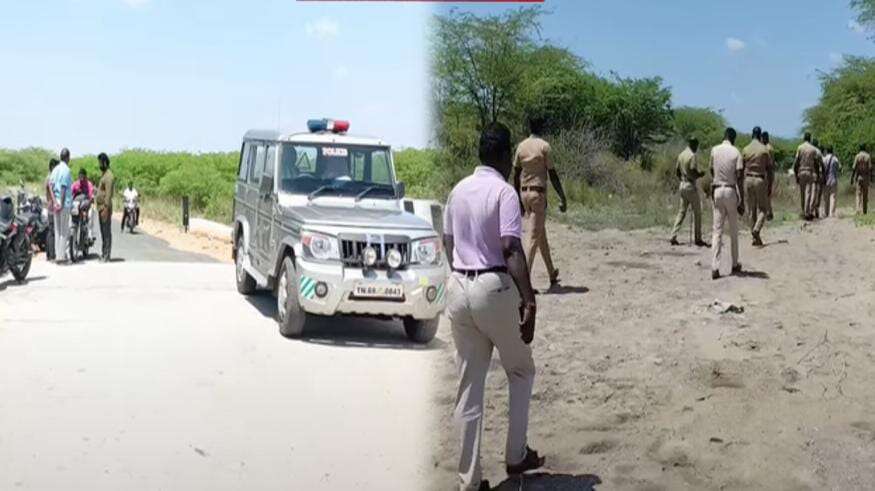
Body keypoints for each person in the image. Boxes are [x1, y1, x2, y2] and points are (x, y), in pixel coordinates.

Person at [444, 122, 542, 491]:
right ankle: (516, 456)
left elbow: (447, 241)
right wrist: (529, 299)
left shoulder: (458, 190)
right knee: (520, 370)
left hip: (458, 285)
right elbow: (511, 248)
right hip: (493, 286)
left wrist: (458, 276)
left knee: (470, 384)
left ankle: (469, 481)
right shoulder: (503, 193)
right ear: (503, 155)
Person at [513, 117, 567, 290]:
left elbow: (515, 173)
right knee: (533, 238)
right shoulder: (544, 146)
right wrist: (562, 197)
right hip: (538, 194)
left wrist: (517, 198)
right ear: (542, 127)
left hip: (524, 194)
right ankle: (524, 282)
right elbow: (552, 174)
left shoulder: (521, 146)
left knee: (540, 234)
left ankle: (552, 273)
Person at [710, 128, 744, 280]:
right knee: (733, 230)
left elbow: (711, 170)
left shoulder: (714, 150)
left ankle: (715, 266)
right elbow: (739, 176)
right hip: (730, 190)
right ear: (733, 138)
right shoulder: (736, 152)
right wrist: (741, 198)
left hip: (717, 190)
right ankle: (735, 263)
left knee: (717, 231)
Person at [669, 138, 707, 247]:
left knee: (681, 212)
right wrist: (700, 174)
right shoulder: (692, 155)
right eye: (696, 145)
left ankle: (673, 235)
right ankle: (698, 239)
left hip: (682, 185)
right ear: (694, 144)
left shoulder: (681, 154)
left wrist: (682, 179)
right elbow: (693, 169)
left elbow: (677, 171)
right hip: (690, 185)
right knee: (697, 212)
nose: (697, 148)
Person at [741, 127, 772, 247]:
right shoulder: (764, 149)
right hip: (760, 179)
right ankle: (757, 229)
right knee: (763, 209)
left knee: (751, 210)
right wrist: (769, 184)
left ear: (751, 135)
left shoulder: (745, 149)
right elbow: (769, 169)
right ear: (760, 136)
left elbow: (741, 167)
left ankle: (754, 238)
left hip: (748, 179)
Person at [50, 148, 73, 263]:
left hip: (56, 202)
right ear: (67, 157)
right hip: (64, 203)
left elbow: (50, 186)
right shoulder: (66, 170)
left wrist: (54, 201)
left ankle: (57, 255)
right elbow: (64, 187)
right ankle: (61, 257)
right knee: (64, 231)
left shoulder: (55, 169)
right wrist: (61, 204)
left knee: (57, 230)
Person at [793, 133, 820, 220]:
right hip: (810, 172)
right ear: (810, 139)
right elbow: (816, 163)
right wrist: (817, 174)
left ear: (804, 138)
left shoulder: (800, 147)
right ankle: (807, 212)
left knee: (802, 192)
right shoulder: (813, 149)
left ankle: (803, 211)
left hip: (801, 171)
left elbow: (796, 162)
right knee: (808, 192)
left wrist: (795, 173)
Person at [95, 153, 115, 262]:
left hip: (104, 208)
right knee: (103, 232)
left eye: (100, 162)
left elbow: (108, 194)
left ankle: (107, 255)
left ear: (105, 162)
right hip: (100, 207)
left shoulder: (109, 176)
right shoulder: (104, 174)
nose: (99, 164)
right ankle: (104, 253)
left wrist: (106, 209)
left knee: (106, 232)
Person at [71, 168, 96, 243]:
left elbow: (91, 195)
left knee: (90, 216)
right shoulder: (75, 184)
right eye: (80, 176)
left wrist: (91, 198)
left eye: (83, 176)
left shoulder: (89, 184)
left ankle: (90, 235)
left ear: (85, 176)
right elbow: (70, 193)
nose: (81, 178)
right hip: (76, 206)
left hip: (86, 205)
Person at [851, 144, 872, 215]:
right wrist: (870, 178)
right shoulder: (868, 156)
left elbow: (854, 168)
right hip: (866, 177)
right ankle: (865, 211)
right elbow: (870, 168)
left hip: (859, 177)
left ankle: (857, 209)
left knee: (858, 194)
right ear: (865, 148)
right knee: (865, 195)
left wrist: (852, 177)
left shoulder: (857, 156)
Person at [44, 158, 58, 261]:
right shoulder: (51, 178)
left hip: (49, 205)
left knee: (50, 230)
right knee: (52, 230)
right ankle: (52, 254)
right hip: (52, 205)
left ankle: (49, 254)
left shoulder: (47, 177)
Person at [821, 146, 840, 217]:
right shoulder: (835, 159)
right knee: (833, 196)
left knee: (826, 198)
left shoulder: (824, 159)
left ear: (826, 151)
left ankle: (826, 212)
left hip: (825, 180)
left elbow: (822, 169)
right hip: (833, 179)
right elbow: (838, 168)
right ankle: (832, 213)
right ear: (832, 150)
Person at [762, 131, 775, 221]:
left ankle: (768, 213)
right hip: (768, 173)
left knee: (766, 194)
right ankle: (769, 212)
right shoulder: (769, 147)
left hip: (767, 173)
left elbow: (770, 164)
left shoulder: (767, 148)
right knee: (766, 194)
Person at [811, 139, 825, 218]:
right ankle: (816, 209)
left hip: (809, 174)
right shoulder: (818, 152)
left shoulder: (807, 149)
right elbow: (822, 164)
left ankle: (809, 210)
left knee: (810, 192)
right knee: (817, 193)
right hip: (816, 174)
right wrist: (824, 174)